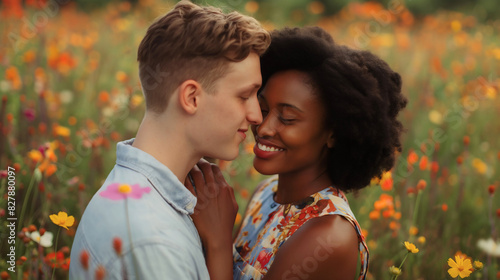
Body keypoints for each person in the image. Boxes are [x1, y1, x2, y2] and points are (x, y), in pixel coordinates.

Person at [69, 1, 270, 279]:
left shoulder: (142, 196)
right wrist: (218, 246)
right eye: (244, 96)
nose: (256, 116)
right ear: (191, 98)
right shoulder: (154, 242)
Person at [188, 26, 407, 279]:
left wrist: (217, 240)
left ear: (333, 134)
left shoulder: (327, 237)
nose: (264, 127)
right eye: (263, 108)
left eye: (288, 118)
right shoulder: (266, 194)